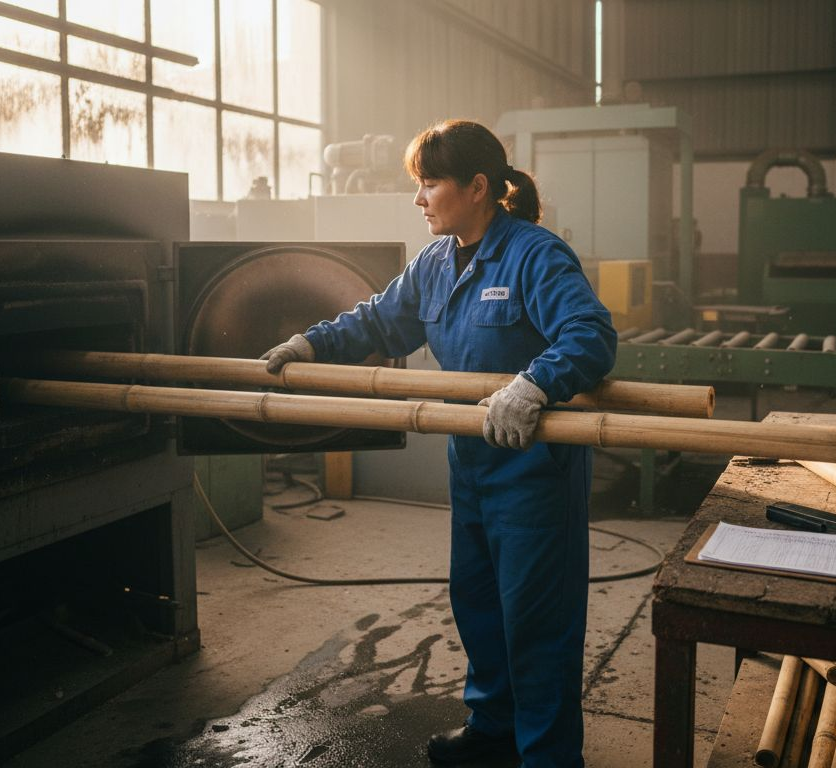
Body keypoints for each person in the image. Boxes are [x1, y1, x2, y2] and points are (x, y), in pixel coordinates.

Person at [261, 119, 616, 768]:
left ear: (478, 188)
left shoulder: (535, 254)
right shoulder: (433, 263)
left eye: (429, 184)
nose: (418, 198)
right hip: (473, 464)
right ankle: (493, 732)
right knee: (478, 606)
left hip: (533, 472)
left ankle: (547, 758)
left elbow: (590, 335)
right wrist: (309, 343)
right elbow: (377, 320)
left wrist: (533, 386)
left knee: (537, 628)